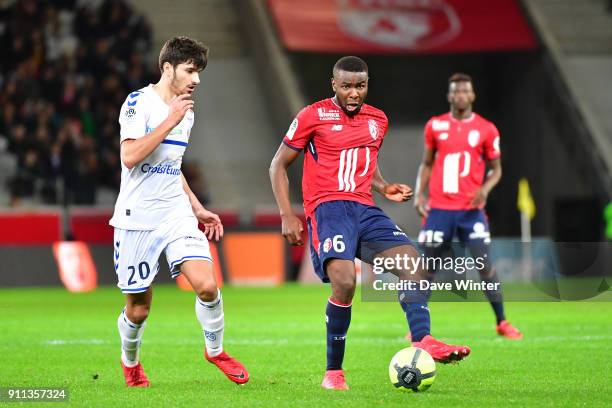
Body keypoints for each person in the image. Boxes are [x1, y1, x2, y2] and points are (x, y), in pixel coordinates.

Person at [269, 56, 470, 391]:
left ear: (367, 85)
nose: (353, 93)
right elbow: (277, 165)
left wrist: (383, 186)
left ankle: (423, 340)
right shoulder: (312, 115)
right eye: (346, 86)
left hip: (365, 209)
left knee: (415, 267)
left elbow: (366, 159)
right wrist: (287, 214)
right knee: (345, 283)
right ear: (334, 84)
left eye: (360, 86)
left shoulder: (378, 120)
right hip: (328, 208)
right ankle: (334, 373)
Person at [109, 36, 248, 387]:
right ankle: (131, 361)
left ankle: (215, 351)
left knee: (206, 286)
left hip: (175, 213)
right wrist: (169, 120)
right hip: (136, 218)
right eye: (190, 70)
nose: (197, 79)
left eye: (199, 72)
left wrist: (198, 207)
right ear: (167, 67)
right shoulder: (139, 103)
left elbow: (172, 164)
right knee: (139, 309)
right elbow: (130, 156)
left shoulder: (185, 112)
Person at [413, 72, 522, 340]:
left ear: (472, 95)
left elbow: (496, 169)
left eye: (465, 91)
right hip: (438, 209)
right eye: (456, 91)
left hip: (470, 211)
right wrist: (418, 194)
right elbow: (427, 163)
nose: (460, 95)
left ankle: (502, 321)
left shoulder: (486, 129)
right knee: (426, 268)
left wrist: (484, 189)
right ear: (449, 95)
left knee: (484, 264)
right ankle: (416, 328)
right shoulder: (435, 126)